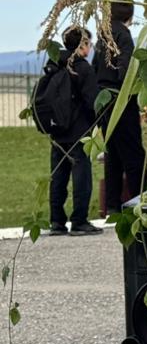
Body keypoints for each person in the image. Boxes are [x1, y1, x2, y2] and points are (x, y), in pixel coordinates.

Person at [47, 26, 102, 236]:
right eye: (89, 43)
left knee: (58, 177)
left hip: (57, 130)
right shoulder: (83, 68)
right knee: (81, 176)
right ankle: (79, 220)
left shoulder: (55, 64)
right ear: (82, 45)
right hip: (79, 130)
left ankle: (56, 221)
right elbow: (92, 102)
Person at [94, 0, 146, 213]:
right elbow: (126, 70)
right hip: (121, 99)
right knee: (134, 155)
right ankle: (139, 201)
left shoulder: (103, 35)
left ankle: (112, 205)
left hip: (104, 99)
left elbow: (96, 67)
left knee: (113, 154)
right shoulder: (123, 36)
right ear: (130, 16)